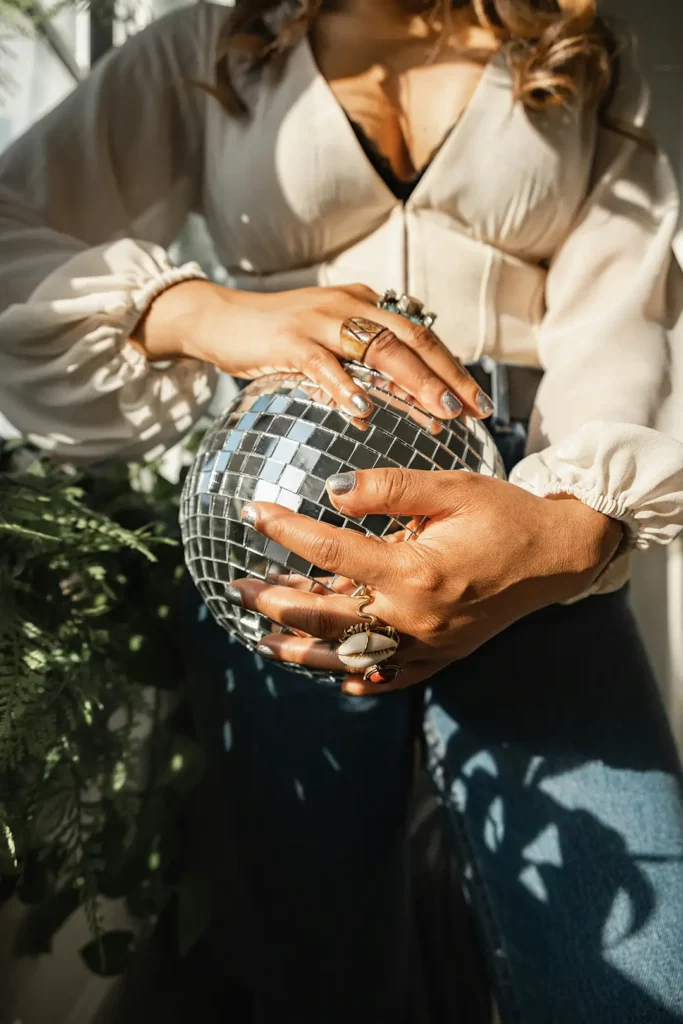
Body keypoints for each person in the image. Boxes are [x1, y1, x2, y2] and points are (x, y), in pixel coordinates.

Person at [1, 0, 683, 1020]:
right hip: (272, 503)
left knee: (633, 965)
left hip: (526, 494)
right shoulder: (214, 41)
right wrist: (200, 311)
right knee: (314, 949)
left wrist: (573, 529)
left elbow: (627, 306)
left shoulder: (576, 42)